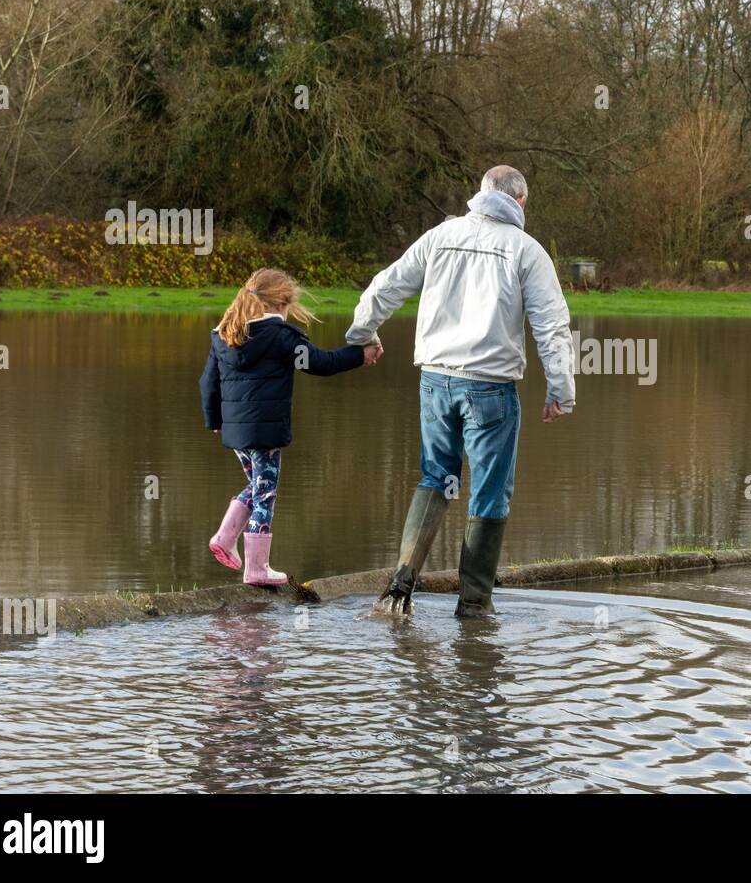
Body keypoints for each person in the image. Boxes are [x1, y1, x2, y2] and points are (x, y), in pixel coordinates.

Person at [347, 165, 575, 616]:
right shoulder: (526, 251)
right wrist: (560, 389)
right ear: (521, 202)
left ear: (480, 193)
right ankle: (473, 605)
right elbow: (552, 325)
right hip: (490, 388)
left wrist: (363, 332)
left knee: (436, 478)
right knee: (488, 492)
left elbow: (388, 284)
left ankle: (399, 586)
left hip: (434, 380)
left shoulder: (441, 236)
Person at [200, 267, 381, 586]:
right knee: (265, 493)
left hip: (236, 434)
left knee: (258, 486)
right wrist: (360, 354)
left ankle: (225, 538)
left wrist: (215, 420)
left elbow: (207, 383)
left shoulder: (224, 336)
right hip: (265, 432)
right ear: (281, 303)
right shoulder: (281, 338)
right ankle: (256, 568)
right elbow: (324, 363)